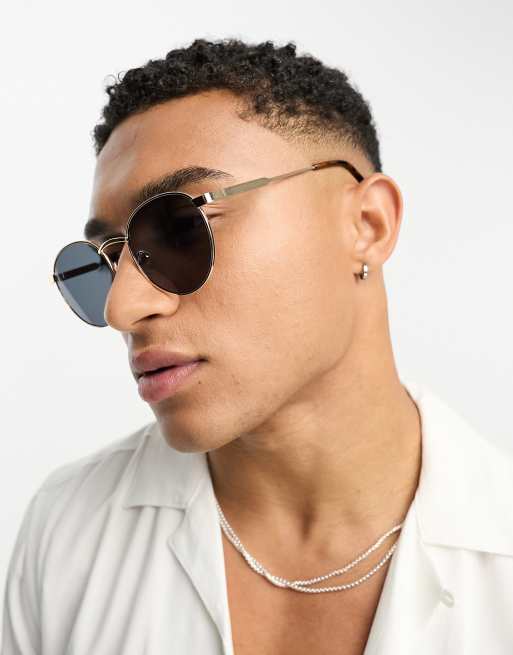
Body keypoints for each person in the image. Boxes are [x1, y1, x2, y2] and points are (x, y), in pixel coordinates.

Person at [3, 37, 513, 655]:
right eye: (103, 262)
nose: (122, 308)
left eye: (182, 227)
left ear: (367, 225)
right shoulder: (68, 536)